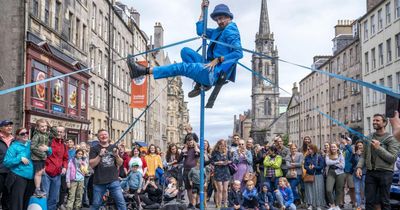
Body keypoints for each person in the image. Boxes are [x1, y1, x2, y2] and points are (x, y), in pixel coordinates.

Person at [127, 1, 243, 98]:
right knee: (185, 51)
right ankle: (201, 82)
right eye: (217, 19)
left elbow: (238, 53)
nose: (219, 22)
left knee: (182, 67)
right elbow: (200, 31)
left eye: (221, 18)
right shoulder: (220, 30)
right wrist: (202, 11)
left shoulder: (231, 30)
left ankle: (143, 71)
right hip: (209, 65)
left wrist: (218, 59)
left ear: (229, 17)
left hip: (215, 72)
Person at [356, 114, 400, 210]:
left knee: (384, 201)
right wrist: (359, 167)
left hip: (385, 173)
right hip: (371, 173)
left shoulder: (392, 139)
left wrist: (378, 148)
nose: (374, 122)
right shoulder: (369, 137)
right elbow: (364, 155)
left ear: (384, 123)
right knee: (369, 201)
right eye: (373, 120)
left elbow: (392, 158)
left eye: (377, 120)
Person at [89, 129, 126, 210]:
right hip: (99, 181)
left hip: (113, 180)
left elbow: (120, 163)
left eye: (105, 134)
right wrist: (100, 155)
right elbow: (91, 164)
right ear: (98, 137)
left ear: (108, 136)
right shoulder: (94, 148)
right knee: (96, 204)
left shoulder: (114, 147)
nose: (104, 136)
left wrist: (116, 156)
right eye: (101, 135)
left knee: (121, 203)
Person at [3, 128, 34, 210]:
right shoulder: (13, 147)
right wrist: (19, 159)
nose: (25, 135)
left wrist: (48, 149)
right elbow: (6, 162)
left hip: (31, 177)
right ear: (17, 136)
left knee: (26, 202)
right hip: (18, 177)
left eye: (26, 132)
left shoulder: (31, 144)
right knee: (17, 203)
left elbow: (47, 152)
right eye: (22, 134)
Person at [41, 126, 68, 210]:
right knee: (44, 195)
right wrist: (43, 167)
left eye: (61, 132)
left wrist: (65, 167)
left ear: (64, 133)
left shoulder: (64, 145)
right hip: (46, 173)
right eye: (57, 131)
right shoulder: (48, 142)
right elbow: (40, 154)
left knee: (54, 197)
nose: (59, 133)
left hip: (57, 174)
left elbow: (65, 158)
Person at [30, 119, 52, 197]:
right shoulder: (36, 136)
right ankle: (37, 189)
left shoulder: (46, 134)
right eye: (42, 126)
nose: (44, 128)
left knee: (41, 173)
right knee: (38, 174)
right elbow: (33, 147)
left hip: (42, 158)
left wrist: (50, 126)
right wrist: (43, 155)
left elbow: (54, 134)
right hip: (37, 158)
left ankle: (39, 188)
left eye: (45, 126)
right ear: (38, 128)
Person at [179, 134, 200, 208]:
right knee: (188, 187)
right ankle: (191, 203)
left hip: (195, 170)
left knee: (196, 187)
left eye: (191, 142)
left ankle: (196, 203)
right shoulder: (185, 149)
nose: (189, 144)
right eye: (188, 142)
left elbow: (201, 157)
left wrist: (197, 149)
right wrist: (182, 152)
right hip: (186, 169)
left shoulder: (197, 148)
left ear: (193, 141)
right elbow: (179, 160)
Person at [304, 144, 326, 210]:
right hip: (309, 175)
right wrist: (308, 167)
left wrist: (314, 167)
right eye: (308, 149)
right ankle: (310, 204)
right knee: (309, 191)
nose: (309, 150)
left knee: (318, 191)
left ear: (314, 149)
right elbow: (305, 166)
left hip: (317, 176)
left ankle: (318, 205)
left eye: (310, 149)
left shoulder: (319, 157)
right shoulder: (307, 157)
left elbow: (321, 166)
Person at [211, 139, 231, 208]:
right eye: (221, 145)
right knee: (220, 190)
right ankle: (219, 204)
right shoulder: (215, 152)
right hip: (218, 171)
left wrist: (227, 162)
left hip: (226, 171)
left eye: (224, 145)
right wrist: (218, 162)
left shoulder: (227, 152)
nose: (223, 146)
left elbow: (231, 160)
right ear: (218, 145)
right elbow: (212, 162)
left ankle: (225, 203)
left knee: (225, 190)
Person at [325, 143, 345, 210]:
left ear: (337, 148)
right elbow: (327, 162)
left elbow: (342, 166)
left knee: (338, 190)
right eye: (332, 147)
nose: (333, 148)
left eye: (334, 147)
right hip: (331, 172)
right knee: (328, 189)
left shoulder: (341, 155)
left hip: (340, 173)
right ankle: (332, 204)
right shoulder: (328, 155)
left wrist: (332, 162)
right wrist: (337, 161)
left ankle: (337, 205)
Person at [0, 119, 13, 209]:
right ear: (1, 128)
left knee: (8, 193)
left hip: (11, 171)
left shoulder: (14, 140)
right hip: (0, 171)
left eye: (10, 126)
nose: (9, 127)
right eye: (7, 126)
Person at [340, 136, 355, 208]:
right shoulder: (342, 149)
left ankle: (354, 202)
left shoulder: (351, 148)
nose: (345, 141)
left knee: (352, 187)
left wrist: (346, 144)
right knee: (341, 187)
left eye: (347, 140)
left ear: (350, 142)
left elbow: (352, 152)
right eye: (344, 140)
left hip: (349, 170)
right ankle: (341, 202)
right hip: (341, 170)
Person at [352, 140, 365, 210]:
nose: (359, 146)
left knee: (365, 190)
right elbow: (353, 163)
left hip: (364, 173)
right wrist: (355, 154)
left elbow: (365, 164)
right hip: (355, 174)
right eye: (358, 145)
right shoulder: (355, 154)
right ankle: (359, 206)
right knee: (357, 190)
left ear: (363, 146)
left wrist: (360, 155)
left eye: (360, 145)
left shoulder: (366, 153)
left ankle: (366, 205)